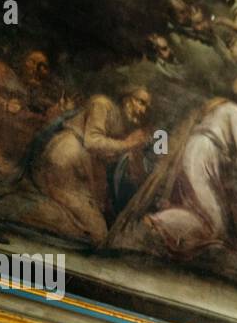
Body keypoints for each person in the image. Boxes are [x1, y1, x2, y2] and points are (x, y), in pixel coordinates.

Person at [128, 77, 237, 258]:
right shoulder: (235, 110)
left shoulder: (220, 107)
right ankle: (156, 222)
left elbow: (232, 155)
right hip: (203, 154)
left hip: (198, 152)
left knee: (203, 214)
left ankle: (159, 224)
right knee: (214, 224)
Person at [30, 87, 151, 244]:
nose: (142, 110)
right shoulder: (102, 104)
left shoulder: (122, 123)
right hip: (66, 157)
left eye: (147, 107)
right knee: (96, 232)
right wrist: (127, 144)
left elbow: (108, 156)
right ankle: (30, 213)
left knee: (97, 230)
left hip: (81, 166)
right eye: (140, 102)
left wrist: (133, 152)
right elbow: (92, 141)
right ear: (126, 99)